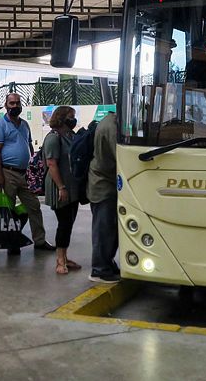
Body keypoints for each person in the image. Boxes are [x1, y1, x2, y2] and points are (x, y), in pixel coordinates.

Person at [0, 93, 54, 253]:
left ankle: (39, 241)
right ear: (6, 105)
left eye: (17, 103)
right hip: (8, 172)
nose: (15, 106)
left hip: (25, 174)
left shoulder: (24, 124)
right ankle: (12, 243)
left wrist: (32, 166)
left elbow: (29, 146)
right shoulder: (0, 125)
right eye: (11, 103)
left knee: (33, 206)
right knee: (9, 209)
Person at [42, 106, 82, 275]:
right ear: (62, 118)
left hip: (71, 187)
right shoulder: (53, 138)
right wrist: (61, 187)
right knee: (64, 223)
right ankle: (60, 260)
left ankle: (64, 257)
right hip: (60, 187)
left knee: (69, 222)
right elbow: (52, 164)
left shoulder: (70, 136)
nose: (73, 119)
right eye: (70, 116)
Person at [87, 111, 121, 283]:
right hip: (102, 185)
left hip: (106, 183)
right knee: (104, 229)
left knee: (110, 228)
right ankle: (99, 269)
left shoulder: (109, 121)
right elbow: (121, 156)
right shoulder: (111, 126)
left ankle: (107, 262)